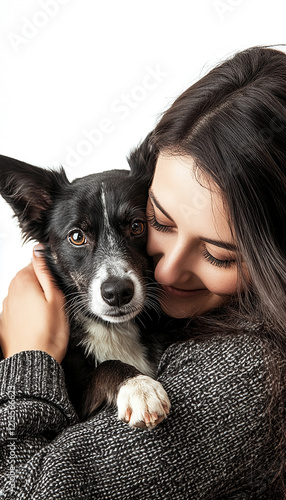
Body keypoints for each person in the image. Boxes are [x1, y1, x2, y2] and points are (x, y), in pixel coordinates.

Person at [1, 45, 286, 499]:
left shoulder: (244, 376)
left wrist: (27, 360)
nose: (166, 269)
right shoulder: (175, 318)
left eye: (218, 254)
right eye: (158, 222)